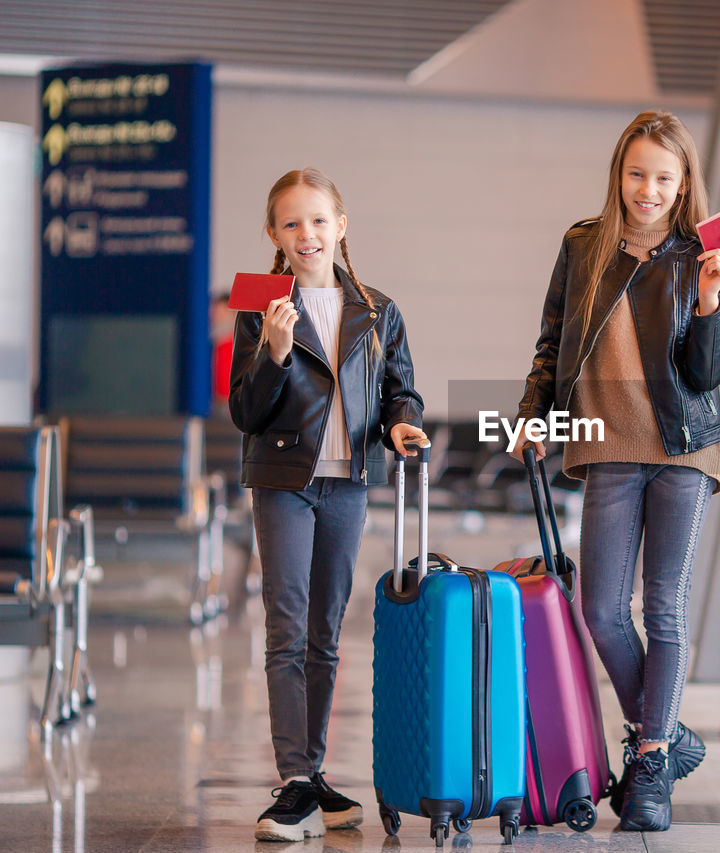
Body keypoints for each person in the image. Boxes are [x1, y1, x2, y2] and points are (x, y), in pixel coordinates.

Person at [511, 110, 720, 832]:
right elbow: (552, 342)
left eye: (663, 178)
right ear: (619, 173)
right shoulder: (583, 244)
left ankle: (651, 762)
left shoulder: (704, 251)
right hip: (607, 444)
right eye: (637, 173)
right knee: (601, 608)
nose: (647, 189)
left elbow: (707, 373)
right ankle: (667, 735)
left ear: (683, 185)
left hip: (683, 445)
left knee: (663, 605)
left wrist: (709, 299)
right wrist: (531, 412)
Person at [229, 167, 427, 842]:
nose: (307, 234)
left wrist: (402, 423)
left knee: (326, 632)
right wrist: (276, 355)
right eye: (291, 223)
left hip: (348, 482)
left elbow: (402, 390)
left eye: (318, 220)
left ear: (341, 225)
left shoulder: (378, 308)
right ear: (273, 235)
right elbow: (245, 411)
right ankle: (292, 778)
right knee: (286, 625)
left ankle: (310, 773)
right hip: (283, 478)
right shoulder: (259, 302)